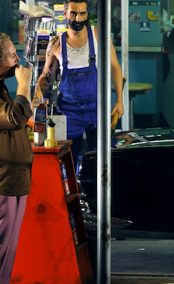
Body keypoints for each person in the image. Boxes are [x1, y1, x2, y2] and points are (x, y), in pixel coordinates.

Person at [34, 0, 124, 169]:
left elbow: (116, 69)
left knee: (102, 158)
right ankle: (74, 194)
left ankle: (98, 194)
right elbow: (46, 75)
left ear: (87, 15)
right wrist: (38, 93)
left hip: (97, 109)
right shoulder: (56, 44)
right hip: (69, 111)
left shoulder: (98, 35)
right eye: (74, 13)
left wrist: (119, 100)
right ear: (65, 14)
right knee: (67, 160)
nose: (78, 18)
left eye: (82, 13)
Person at [0, 33, 33, 284]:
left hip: (15, 181)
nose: (17, 60)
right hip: (3, 183)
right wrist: (23, 86)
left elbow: (20, 115)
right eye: (11, 55)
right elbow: (13, 118)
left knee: (6, 261)